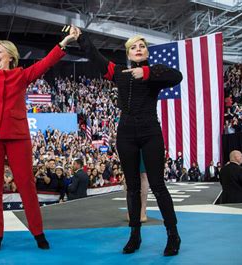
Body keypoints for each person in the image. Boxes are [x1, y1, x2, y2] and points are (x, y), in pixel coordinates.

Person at [0, 9, 79, 251]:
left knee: (26, 185)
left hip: (17, 137)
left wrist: (64, 42)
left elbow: (46, 63)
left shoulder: (22, 76)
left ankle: (38, 232)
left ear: (11, 56)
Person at [77, 29, 182, 256]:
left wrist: (146, 73)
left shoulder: (155, 73)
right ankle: (134, 235)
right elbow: (95, 57)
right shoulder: (119, 73)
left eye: (142, 46)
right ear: (128, 53)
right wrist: (80, 37)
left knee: (157, 184)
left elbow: (177, 76)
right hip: (126, 135)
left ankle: (173, 234)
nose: (138, 49)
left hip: (150, 132)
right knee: (132, 187)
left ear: (146, 52)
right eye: (133, 47)